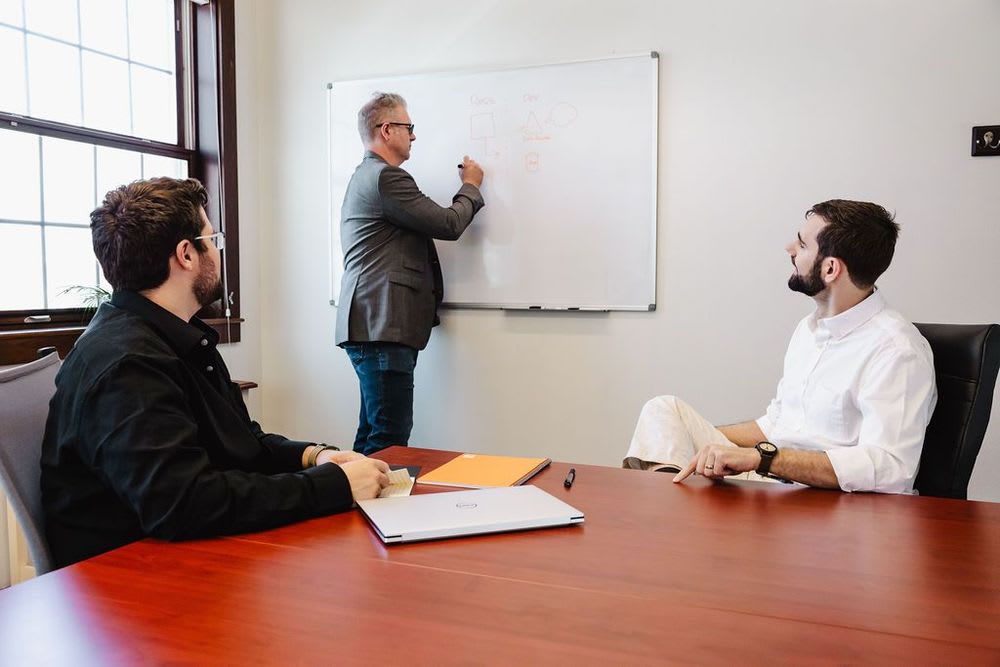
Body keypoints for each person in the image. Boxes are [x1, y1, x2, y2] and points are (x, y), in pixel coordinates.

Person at [42, 177, 390, 568]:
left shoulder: (175, 336)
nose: (219, 252)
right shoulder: (128, 364)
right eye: (213, 239)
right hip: (129, 581)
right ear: (187, 255)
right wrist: (335, 488)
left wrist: (316, 458)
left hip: (184, 553)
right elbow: (185, 503)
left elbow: (239, 441)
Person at [625, 199, 937, 494]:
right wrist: (703, 443)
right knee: (663, 410)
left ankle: (666, 526)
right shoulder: (809, 330)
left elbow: (891, 469)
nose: (790, 249)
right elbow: (778, 424)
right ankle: (667, 523)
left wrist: (762, 458)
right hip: (771, 478)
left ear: (830, 269)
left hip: (827, 501)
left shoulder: (897, 350)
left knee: (671, 488)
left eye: (802, 245)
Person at [335, 92, 486, 455]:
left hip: (373, 324)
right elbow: (448, 223)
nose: (413, 135)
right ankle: (376, 511)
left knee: (373, 435)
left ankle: (356, 507)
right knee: (388, 442)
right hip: (381, 326)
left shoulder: (368, 176)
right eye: (408, 127)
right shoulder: (386, 178)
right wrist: (472, 186)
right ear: (387, 130)